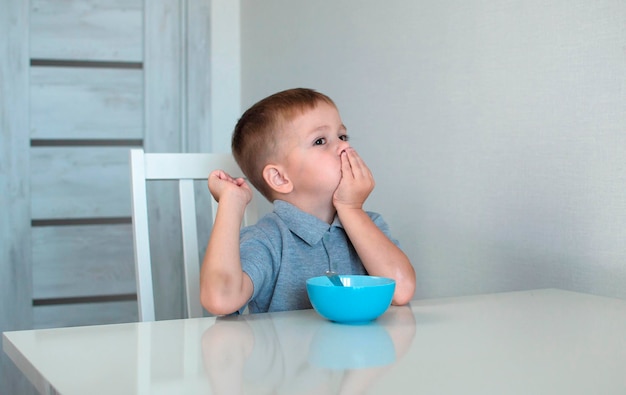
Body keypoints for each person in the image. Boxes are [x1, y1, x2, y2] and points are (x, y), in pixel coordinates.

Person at [200, 88, 415, 315]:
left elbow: (401, 292)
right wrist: (231, 204)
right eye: (321, 141)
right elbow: (220, 300)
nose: (345, 146)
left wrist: (351, 209)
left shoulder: (369, 225)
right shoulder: (268, 239)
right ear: (280, 178)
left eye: (342, 136)